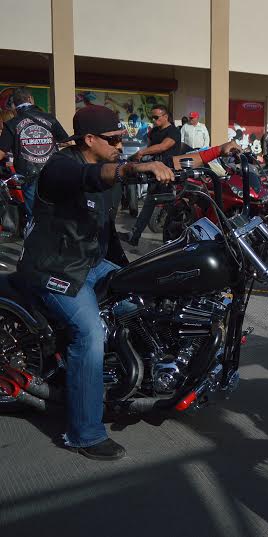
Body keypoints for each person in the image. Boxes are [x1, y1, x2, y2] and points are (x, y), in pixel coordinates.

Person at [16, 104, 174, 460]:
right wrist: (132, 167)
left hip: (89, 262)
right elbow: (91, 176)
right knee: (88, 336)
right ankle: (84, 434)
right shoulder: (60, 167)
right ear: (89, 139)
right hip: (55, 268)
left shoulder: (109, 171)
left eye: (122, 138)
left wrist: (219, 153)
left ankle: (138, 378)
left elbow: (106, 230)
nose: (121, 145)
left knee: (147, 298)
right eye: (113, 139)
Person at [0, 87, 69, 225]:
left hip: (28, 175)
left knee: (35, 216)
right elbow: (67, 141)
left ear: (14, 104)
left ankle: (37, 236)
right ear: (31, 99)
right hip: (52, 171)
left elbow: (1, 152)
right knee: (55, 212)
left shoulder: (11, 124)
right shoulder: (49, 118)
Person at [127, 104, 181, 246]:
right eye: (152, 117)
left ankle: (169, 240)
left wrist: (142, 153)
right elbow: (150, 146)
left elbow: (163, 146)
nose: (154, 120)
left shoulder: (173, 131)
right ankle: (135, 235)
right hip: (155, 172)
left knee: (170, 206)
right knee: (150, 202)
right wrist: (141, 157)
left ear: (165, 116)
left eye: (156, 117)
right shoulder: (154, 131)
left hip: (169, 173)